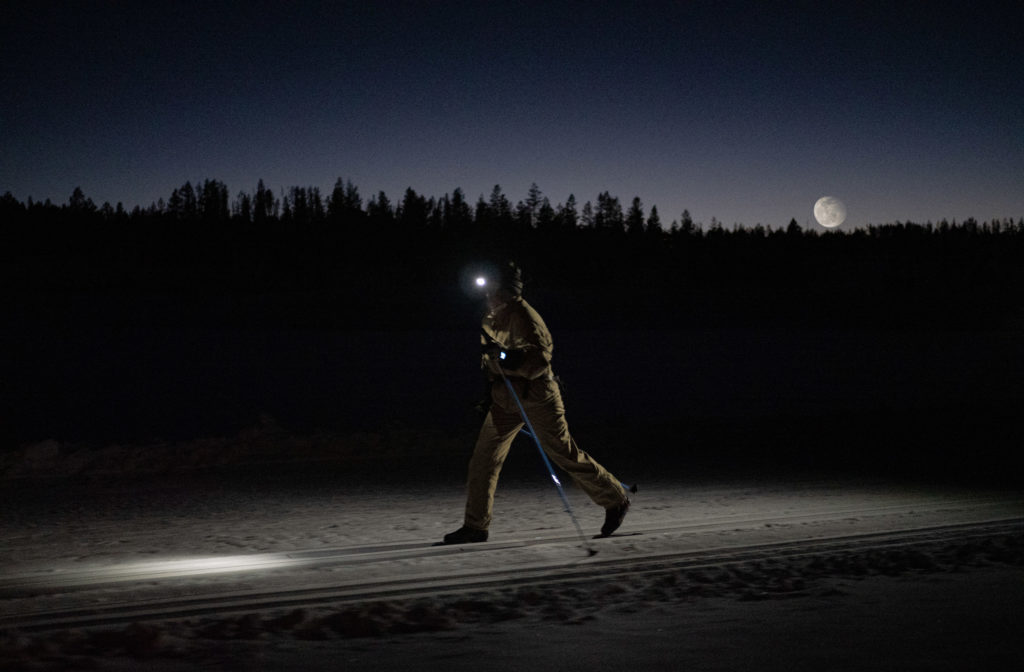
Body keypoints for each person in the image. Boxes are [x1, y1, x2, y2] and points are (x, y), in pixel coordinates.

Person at [443, 261, 630, 544]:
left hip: (537, 398)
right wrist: (488, 392)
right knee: (483, 461)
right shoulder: (490, 317)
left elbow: (539, 361)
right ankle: (475, 526)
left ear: (506, 289)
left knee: (564, 454)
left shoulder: (524, 316)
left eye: (490, 288)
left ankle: (615, 499)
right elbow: (490, 361)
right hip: (505, 400)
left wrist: (504, 357)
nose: (486, 294)